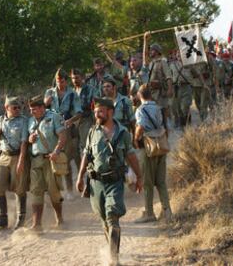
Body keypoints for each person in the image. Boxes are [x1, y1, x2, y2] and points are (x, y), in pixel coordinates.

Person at [76, 97, 143, 266]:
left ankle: (113, 259)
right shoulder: (93, 131)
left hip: (115, 181)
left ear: (110, 112)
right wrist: (80, 176)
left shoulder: (123, 133)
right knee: (104, 219)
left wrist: (139, 176)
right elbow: (86, 154)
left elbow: (131, 155)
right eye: (95, 111)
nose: (97, 114)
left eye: (100, 111)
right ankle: (111, 248)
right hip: (96, 182)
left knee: (113, 216)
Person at [0, 96, 29, 230]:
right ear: (7, 108)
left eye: (19, 107)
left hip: (17, 156)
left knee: (19, 188)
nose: (17, 110)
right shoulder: (0, 120)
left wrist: (21, 161)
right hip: (4, 156)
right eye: (14, 107)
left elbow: (24, 142)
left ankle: (21, 218)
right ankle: (2, 218)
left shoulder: (23, 121)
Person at [133, 85, 172, 223]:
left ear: (139, 95)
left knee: (148, 182)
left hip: (148, 146)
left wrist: (136, 139)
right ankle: (167, 211)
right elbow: (167, 128)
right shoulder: (159, 108)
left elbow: (141, 126)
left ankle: (149, 213)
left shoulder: (141, 110)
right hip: (161, 144)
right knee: (161, 181)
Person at [28, 96, 67, 230]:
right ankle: (36, 224)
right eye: (30, 110)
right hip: (36, 159)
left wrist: (56, 151)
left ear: (42, 108)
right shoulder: (30, 121)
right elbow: (29, 139)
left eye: (34, 109)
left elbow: (62, 136)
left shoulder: (54, 117)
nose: (32, 112)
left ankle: (60, 218)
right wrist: (30, 139)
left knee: (53, 191)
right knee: (36, 191)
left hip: (50, 159)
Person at [44, 68, 82, 200]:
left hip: (65, 127)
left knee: (65, 159)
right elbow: (41, 110)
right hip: (50, 128)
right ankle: (54, 189)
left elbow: (79, 112)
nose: (60, 83)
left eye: (62, 80)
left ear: (66, 81)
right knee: (50, 158)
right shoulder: (49, 92)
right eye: (58, 80)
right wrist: (45, 104)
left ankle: (70, 190)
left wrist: (70, 121)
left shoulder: (72, 94)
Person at [143, 32, 173, 127]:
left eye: (152, 50)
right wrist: (145, 41)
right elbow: (145, 55)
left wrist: (170, 89)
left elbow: (168, 76)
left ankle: (166, 133)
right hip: (152, 93)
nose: (150, 52)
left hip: (161, 94)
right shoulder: (151, 63)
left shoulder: (162, 62)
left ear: (157, 51)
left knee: (163, 117)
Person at [71, 68, 97, 154]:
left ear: (82, 77)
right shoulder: (72, 91)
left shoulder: (90, 89)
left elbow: (95, 106)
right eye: (73, 78)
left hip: (87, 120)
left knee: (87, 146)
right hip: (74, 122)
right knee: (74, 149)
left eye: (77, 78)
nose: (75, 80)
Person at [169, 52, 193, 127]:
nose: (179, 56)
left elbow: (196, 74)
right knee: (176, 107)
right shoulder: (172, 65)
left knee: (184, 106)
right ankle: (181, 123)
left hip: (186, 87)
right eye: (178, 55)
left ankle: (186, 122)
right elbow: (169, 76)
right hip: (176, 88)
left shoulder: (189, 65)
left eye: (181, 55)